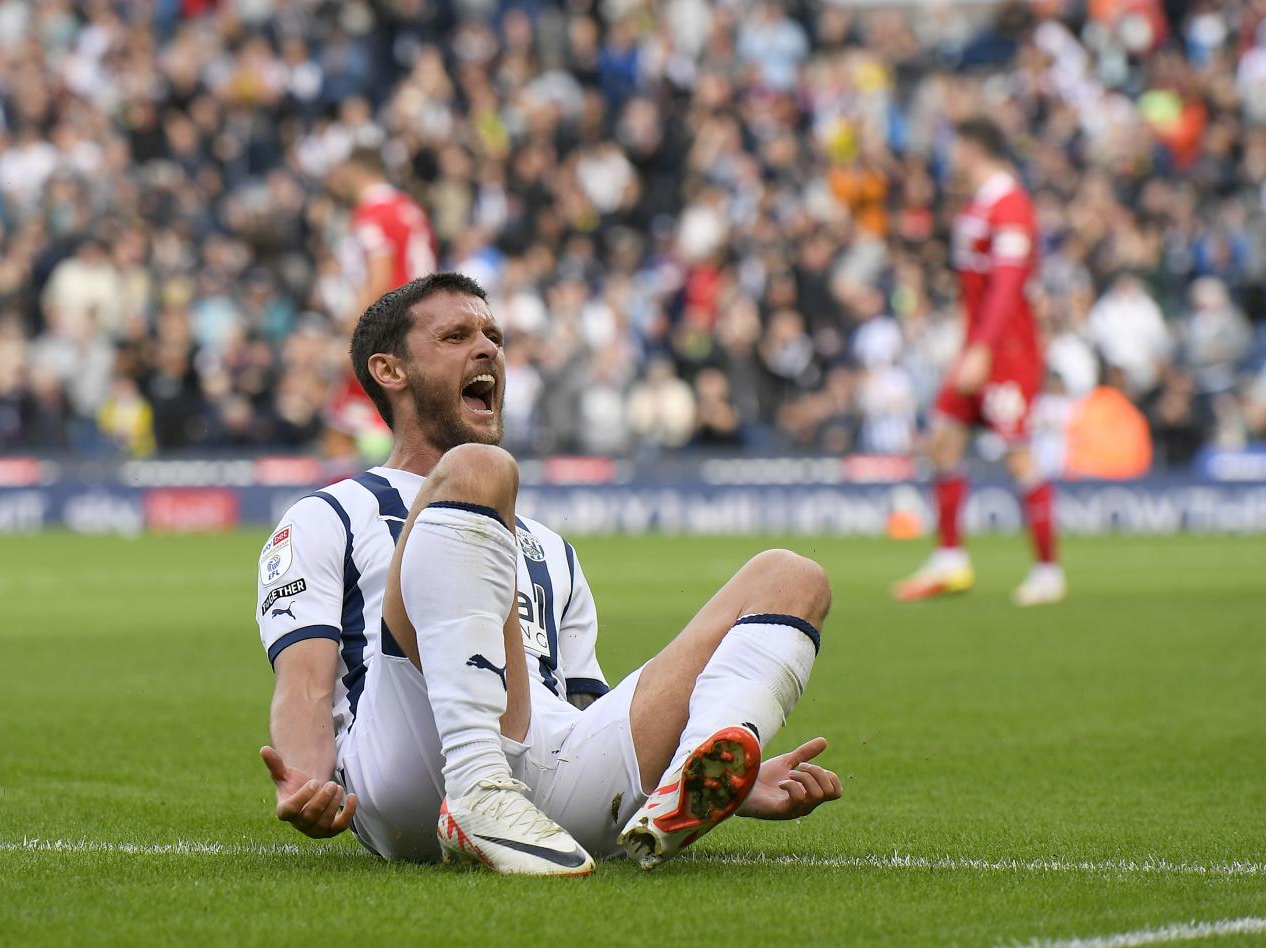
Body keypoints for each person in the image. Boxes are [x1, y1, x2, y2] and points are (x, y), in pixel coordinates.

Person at [255, 272, 841, 876]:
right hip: (411, 766)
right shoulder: (328, 515)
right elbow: (304, 683)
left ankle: (687, 776)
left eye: (494, 335)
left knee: (793, 577)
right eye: (456, 336)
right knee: (480, 469)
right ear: (390, 370)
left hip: (548, 769)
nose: (487, 349)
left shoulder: (552, 548)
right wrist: (304, 779)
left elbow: (583, 706)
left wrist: (726, 783)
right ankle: (476, 790)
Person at [894, 119, 1066, 607]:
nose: (949, 158)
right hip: (978, 348)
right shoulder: (979, 206)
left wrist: (983, 350)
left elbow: (1009, 287)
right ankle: (951, 560)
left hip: (1006, 354)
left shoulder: (1010, 205)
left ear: (973, 148)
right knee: (942, 439)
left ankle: (1048, 570)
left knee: (1019, 454)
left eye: (955, 147)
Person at [321, 146, 439, 460]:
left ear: (354, 171)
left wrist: (353, 331)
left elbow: (379, 275)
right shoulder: (408, 207)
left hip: (388, 324)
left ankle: (346, 502)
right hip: (420, 320)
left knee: (341, 422)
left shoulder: (371, 213)